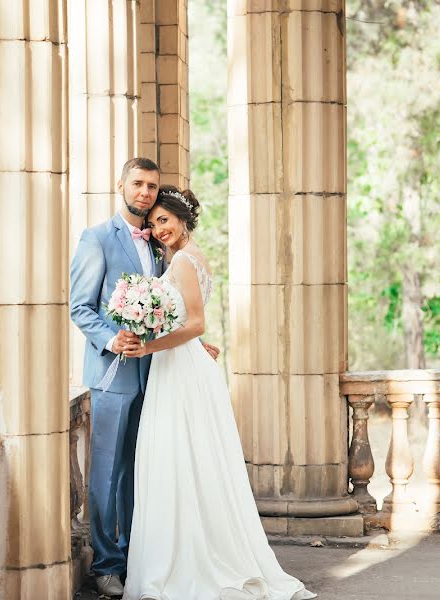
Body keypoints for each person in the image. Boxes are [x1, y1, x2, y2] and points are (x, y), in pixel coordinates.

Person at [121, 186, 317, 600]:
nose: (159, 229)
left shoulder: (186, 261)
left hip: (179, 370)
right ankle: (185, 551)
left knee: (181, 456)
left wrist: (149, 346)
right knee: (184, 458)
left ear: (182, 218)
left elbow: (196, 324)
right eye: (154, 223)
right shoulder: (179, 258)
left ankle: (195, 559)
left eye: (165, 220)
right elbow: (186, 326)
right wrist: (170, 337)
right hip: (181, 363)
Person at [70, 159, 220, 598]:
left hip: (157, 375)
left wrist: (189, 343)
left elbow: (170, 307)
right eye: (137, 183)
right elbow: (80, 306)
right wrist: (110, 339)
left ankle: (139, 556)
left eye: (152, 186)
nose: (144, 191)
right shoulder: (97, 238)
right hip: (113, 374)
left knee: (144, 471)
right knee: (106, 474)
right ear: (121, 185)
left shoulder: (159, 245)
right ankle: (107, 564)